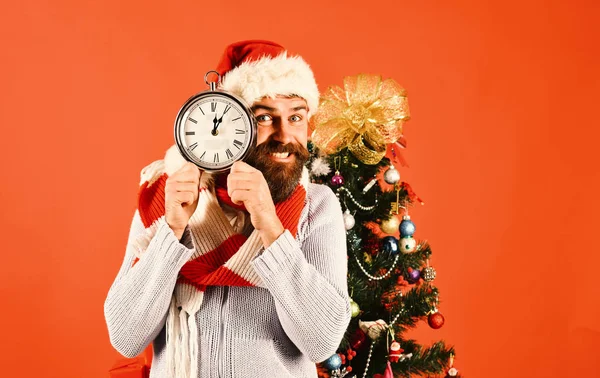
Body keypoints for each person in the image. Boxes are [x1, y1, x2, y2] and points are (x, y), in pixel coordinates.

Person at [104, 40, 351, 378]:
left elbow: (322, 342)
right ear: (228, 123)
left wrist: (270, 226)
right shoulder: (169, 197)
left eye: (296, 116)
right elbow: (126, 337)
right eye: (264, 117)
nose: (284, 135)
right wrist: (172, 230)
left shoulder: (316, 206)